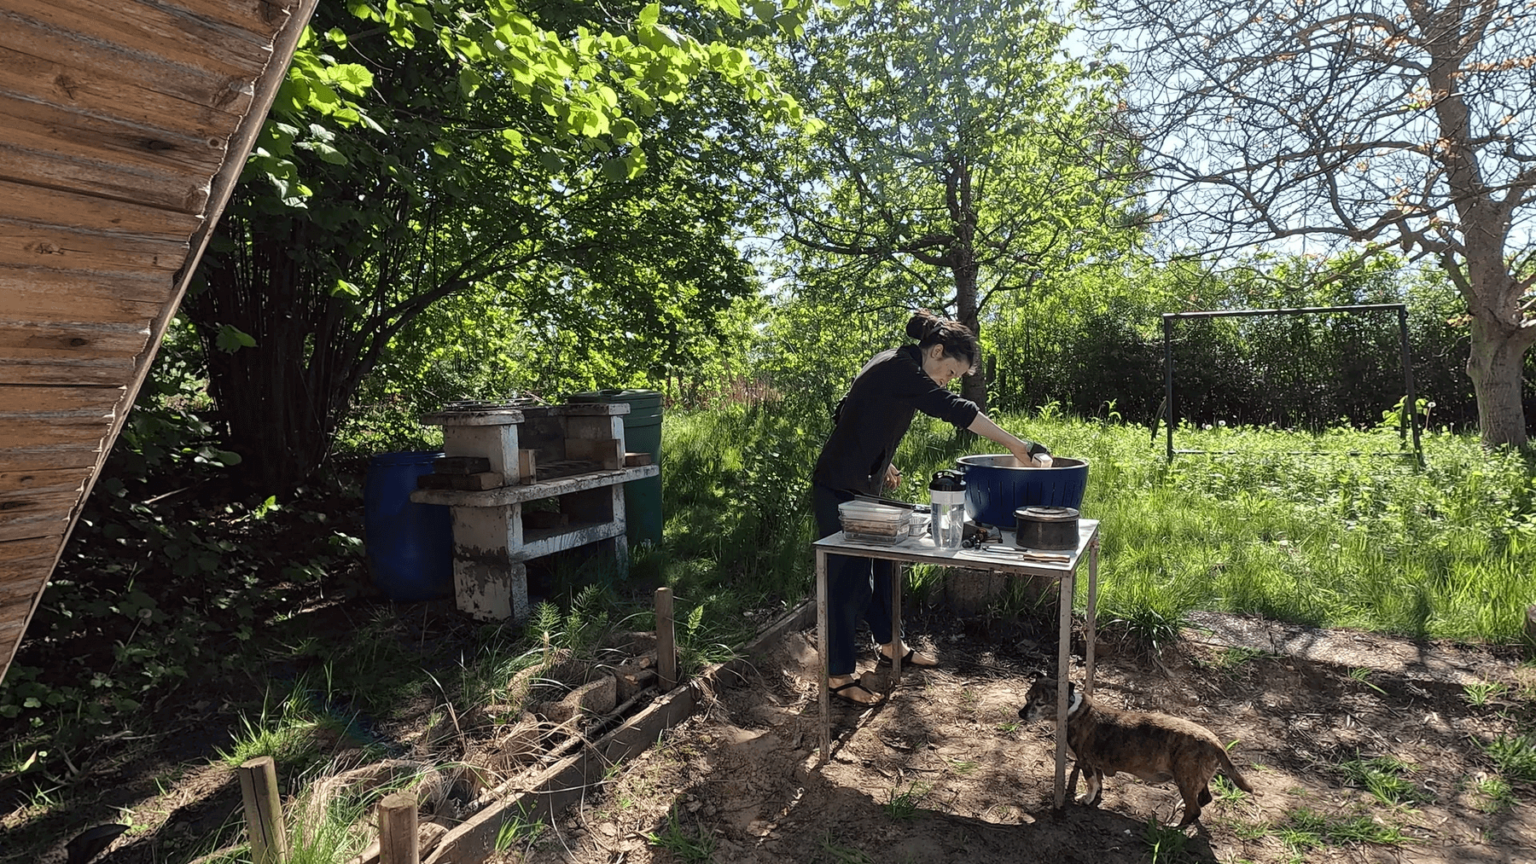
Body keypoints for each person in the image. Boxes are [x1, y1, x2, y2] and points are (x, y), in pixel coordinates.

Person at [812, 309, 1053, 706]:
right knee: (845, 581)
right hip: (837, 487)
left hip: (863, 484)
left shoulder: (897, 363)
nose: (949, 383)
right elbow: (954, 410)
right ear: (936, 350)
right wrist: (1017, 445)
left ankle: (891, 646)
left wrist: (880, 459)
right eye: (952, 374)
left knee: (883, 563)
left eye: (955, 379)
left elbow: (850, 410)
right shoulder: (899, 369)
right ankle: (838, 674)